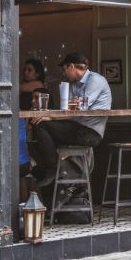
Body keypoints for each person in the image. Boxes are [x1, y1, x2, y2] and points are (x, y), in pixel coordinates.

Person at [31, 53, 112, 187]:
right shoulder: (72, 84)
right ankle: (58, 171)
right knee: (40, 125)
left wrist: (51, 116)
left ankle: (53, 169)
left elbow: (78, 108)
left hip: (90, 133)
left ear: (72, 67)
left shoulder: (95, 80)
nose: (64, 73)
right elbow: (68, 108)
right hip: (75, 127)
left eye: (64, 69)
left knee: (41, 124)